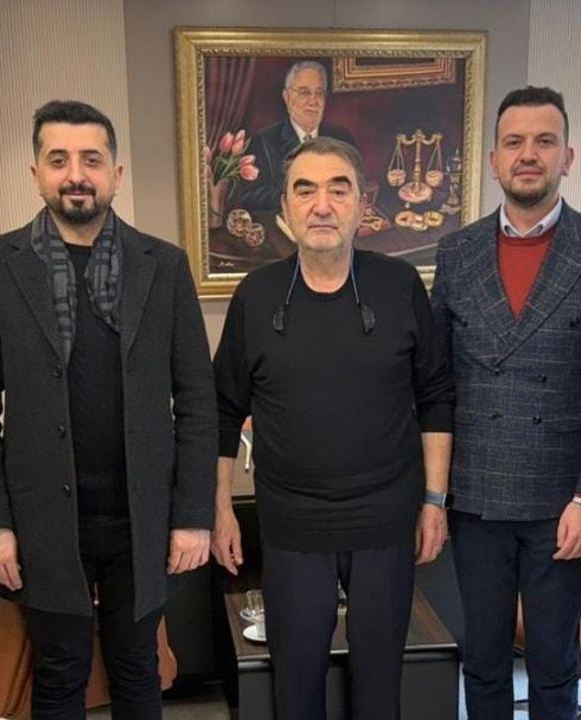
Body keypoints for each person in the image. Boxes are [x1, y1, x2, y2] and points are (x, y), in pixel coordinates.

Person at [0, 99, 217, 719]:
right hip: (42, 519)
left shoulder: (163, 265)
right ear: (36, 174)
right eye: (59, 160)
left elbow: (197, 400)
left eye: (91, 160)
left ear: (116, 174)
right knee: (59, 673)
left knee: (138, 668)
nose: (76, 174)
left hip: (142, 517)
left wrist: (192, 515)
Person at [211, 136, 454, 720]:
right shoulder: (256, 296)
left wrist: (434, 501)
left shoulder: (399, 286)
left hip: (386, 521)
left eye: (338, 189)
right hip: (292, 525)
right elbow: (221, 410)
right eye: (305, 190)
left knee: (379, 689)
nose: (322, 205)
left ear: (362, 204)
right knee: (296, 687)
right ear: (285, 209)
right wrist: (219, 509)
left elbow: (436, 398)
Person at [429, 85, 581, 719]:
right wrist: (434, 494)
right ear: (494, 160)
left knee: (554, 664)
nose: (529, 154)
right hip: (477, 495)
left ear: (567, 157)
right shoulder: (456, 251)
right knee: (483, 659)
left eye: (545, 141)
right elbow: (437, 381)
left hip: (561, 502)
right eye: (514, 142)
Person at [241, 60, 358, 212]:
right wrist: (301, 196)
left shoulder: (342, 139)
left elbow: (355, 188)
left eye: (319, 93)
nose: (313, 101)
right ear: (287, 97)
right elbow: (249, 198)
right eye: (304, 93)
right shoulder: (263, 141)